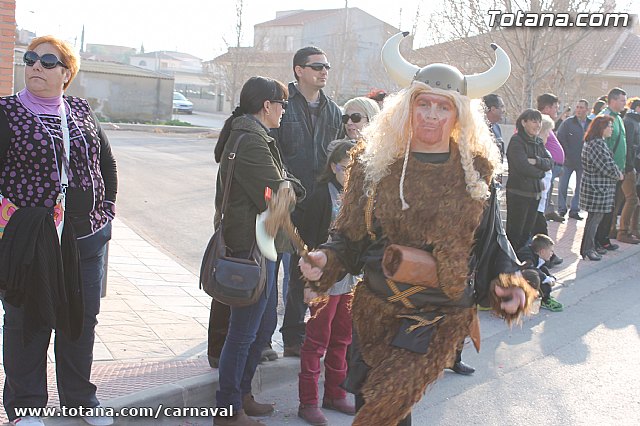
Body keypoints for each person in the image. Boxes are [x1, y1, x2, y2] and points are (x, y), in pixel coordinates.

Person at [298, 32, 538, 425]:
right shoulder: (373, 166)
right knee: (374, 402)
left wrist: (509, 285)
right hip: (375, 310)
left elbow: (493, 242)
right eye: (422, 104)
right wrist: (326, 259)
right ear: (406, 110)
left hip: (437, 318)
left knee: (383, 408)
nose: (430, 115)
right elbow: (349, 240)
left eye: (441, 107)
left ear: (457, 115)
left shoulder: (475, 173)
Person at [0, 36, 117, 426]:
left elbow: (107, 163)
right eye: (30, 59)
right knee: (27, 321)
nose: (35, 66)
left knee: (80, 321)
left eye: (48, 62)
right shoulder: (6, 112)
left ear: (67, 73)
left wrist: (106, 211)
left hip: (85, 239)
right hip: (32, 241)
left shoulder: (81, 110)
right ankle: (25, 408)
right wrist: (10, 224)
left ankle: (80, 401)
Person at [211, 76, 299, 426]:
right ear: (267, 105)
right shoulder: (250, 141)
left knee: (260, 327)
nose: (283, 110)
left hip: (261, 243)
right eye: (282, 104)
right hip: (250, 246)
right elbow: (279, 191)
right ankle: (228, 408)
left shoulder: (256, 136)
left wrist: (289, 188)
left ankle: (242, 395)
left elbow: (278, 188)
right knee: (245, 331)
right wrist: (294, 188)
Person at [273, 46, 344, 358]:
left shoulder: (332, 110)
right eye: (317, 66)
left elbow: (340, 155)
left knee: (308, 270)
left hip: (318, 203)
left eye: (326, 66)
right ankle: (262, 341)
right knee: (269, 270)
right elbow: (271, 151)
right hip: (283, 201)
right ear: (299, 70)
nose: (323, 71)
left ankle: (295, 336)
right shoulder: (280, 104)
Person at [297, 141, 357, 426]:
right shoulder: (322, 195)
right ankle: (308, 401)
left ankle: (335, 392)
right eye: (346, 168)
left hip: (349, 280)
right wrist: (309, 282)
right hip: (323, 280)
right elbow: (308, 240)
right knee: (316, 341)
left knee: (343, 338)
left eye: (356, 168)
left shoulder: (358, 195)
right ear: (334, 166)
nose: (350, 173)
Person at [505, 109, 553, 251]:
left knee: (527, 234)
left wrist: (536, 161)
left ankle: (523, 262)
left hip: (534, 194)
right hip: (519, 193)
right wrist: (541, 173)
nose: (537, 125)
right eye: (533, 121)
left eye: (539, 121)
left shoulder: (538, 142)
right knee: (515, 233)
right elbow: (523, 167)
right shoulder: (516, 141)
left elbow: (550, 163)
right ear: (523, 122)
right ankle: (511, 264)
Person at [597, 88, 640, 245]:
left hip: (620, 169)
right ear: (613, 100)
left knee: (615, 203)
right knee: (619, 202)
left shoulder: (619, 118)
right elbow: (602, 146)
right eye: (622, 100)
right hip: (612, 170)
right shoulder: (606, 118)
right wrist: (620, 167)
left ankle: (607, 236)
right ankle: (612, 235)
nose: (625, 103)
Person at [579, 116, 624, 261]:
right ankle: (588, 249)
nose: (611, 129)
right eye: (609, 126)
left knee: (595, 219)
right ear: (601, 128)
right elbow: (606, 166)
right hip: (597, 188)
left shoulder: (598, 142)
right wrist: (618, 174)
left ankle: (590, 247)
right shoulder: (596, 144)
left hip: (599, 187)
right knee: (594, 219)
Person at [557, 99, 591, 220]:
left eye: (582, 107)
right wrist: (567, 153)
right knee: (563, 186)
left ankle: (574, 210)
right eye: (577, 107)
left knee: (580, 188)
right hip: (568, 161)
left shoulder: (590, 124)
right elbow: (560, 138)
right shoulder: (568, 123)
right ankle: (561, 209)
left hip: (583, 162)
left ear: (587, 109)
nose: (579, 110)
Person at [537, 93, 566, 224]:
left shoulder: (547, 123)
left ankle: (547, 212)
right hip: (546, 165)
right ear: (547, 108)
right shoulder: (540, 122)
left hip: (553, 165)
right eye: (555, 107)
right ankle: (541, 217)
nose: (557, 110)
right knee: (543, 195)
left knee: (547, 193)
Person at [516, 234, 563, 312]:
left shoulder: (539, 257)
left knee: (542, 273)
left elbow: (542, 270)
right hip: (511, 280)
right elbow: (528, 268)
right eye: (551, 251)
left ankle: (546, 299)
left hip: (520, 277)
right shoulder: (527, 256)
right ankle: (518, 300)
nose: (552, 254)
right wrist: (546, 278)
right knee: (535, 275)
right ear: (542, 251)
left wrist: (550, 278)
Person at [531, 115, 555, 240]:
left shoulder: (543, 150)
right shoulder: (534, 149)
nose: (548, 137)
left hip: (541, 197)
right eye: (547, 134)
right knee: (540, 229)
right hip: (535, 196)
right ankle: (545, 254)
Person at [623, 97, 640, 238]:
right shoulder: (630, 122)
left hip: (633, 165)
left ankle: (633, 229)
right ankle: (624, 231)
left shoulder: (633, 121)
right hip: (631, 166)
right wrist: (629, 166)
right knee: (632, 199)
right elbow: (629, 146)